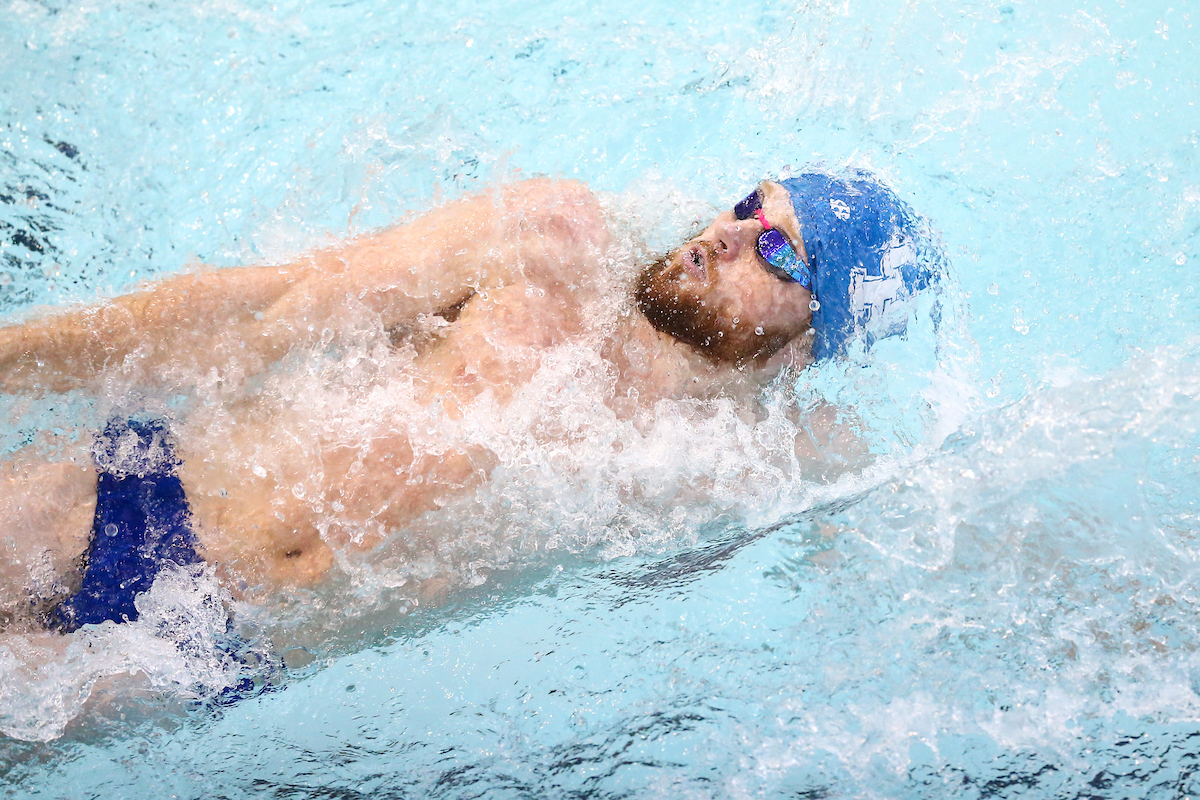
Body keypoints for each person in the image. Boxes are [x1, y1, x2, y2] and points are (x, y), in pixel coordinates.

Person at [0, 167, 933, 634]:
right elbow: (260, 309)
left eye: (777, 252)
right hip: (113, 503)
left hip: (184, 663)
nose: (729, 235)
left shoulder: (758, 466)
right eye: (746, 206)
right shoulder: (554, 246)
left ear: (813, 341)